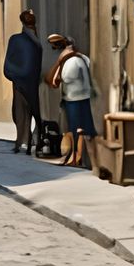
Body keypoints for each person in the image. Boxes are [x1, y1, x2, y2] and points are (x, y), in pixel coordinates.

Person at [46, 32, 95, 167]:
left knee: (76, 129)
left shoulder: (72, 61)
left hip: (74, 99)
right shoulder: (83, 58)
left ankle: (76, 158)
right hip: (83, 97)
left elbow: (62, 79)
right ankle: (79, 158)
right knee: (82, 129)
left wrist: (60, 62)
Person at [4, 9, 43, 153]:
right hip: (30, 82)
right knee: (30, 111)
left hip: (21, 82)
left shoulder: (17, 40)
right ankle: (27, 140)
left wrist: (14, 75)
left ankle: (23, 141)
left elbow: (8, 63)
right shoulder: (36, 42)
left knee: (20, 113)